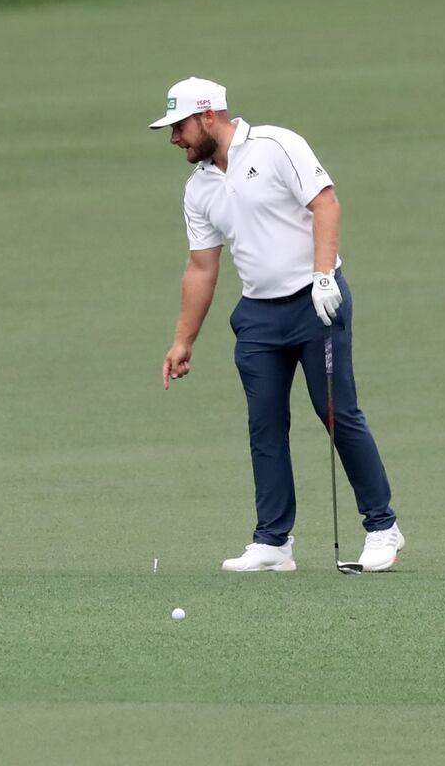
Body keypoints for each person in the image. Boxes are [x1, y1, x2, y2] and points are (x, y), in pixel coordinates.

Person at [152, 77, 403, 572]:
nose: (174, 138)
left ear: (207, 116)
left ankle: (382, 527)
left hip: (315, 302)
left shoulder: (276, 145)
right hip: (258, 317)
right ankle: (273, 541)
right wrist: (183, 340)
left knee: (337, 413)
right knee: (264, 424)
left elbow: (325, 203)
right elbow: (202, 266)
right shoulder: (198, 186)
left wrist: (324, 275)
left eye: (178, 126)